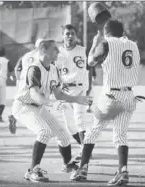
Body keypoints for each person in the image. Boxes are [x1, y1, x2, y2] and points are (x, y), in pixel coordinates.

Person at [70, 20, 141, 186]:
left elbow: (90, 62)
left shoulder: (105, 43)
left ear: (106, 32)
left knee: (93, 132)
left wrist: (95, 43)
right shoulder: (134, 45)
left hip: (110, 96)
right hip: (129, 96)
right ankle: (123, 171)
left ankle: (83, 168)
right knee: (120, 135)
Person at [11, 39, 93, 182]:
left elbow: (59, 94)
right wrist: (51, 103)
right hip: (24, 106)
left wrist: (76, 99)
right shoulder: (34, 68)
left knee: (63, 135)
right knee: (44, 132)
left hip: (39, 107)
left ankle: (67, 164)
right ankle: (33, 170)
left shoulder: (54, 69)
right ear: (44, 51)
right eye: (54, 49)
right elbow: (34, 94)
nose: (58, 51)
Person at [54, 24, 92, 162]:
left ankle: (84, 153)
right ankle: (84, 147)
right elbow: (54, 73)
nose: (70, 36)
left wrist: (89, 88)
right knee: (70, 126)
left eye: (72, 33)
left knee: (80, 119)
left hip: (79, 88)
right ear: (63, 36)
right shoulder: (57, 53)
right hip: (64, 91)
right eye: (67, 34)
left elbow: (90, 68)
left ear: (76, 36)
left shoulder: (83, 50)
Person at [8, 38, 44, 134]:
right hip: (34, 83)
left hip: (23, 82)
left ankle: (13, 115)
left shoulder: (26, 55)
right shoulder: (43, 56)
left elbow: (17, 68)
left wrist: (19, 79)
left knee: (22, 101)